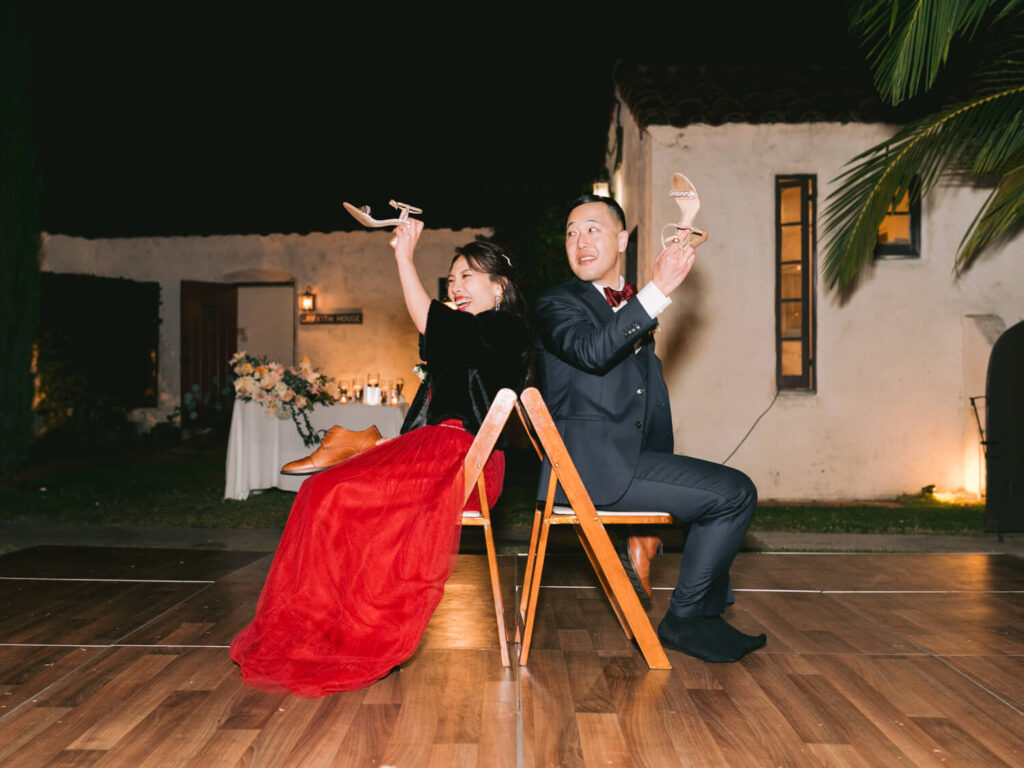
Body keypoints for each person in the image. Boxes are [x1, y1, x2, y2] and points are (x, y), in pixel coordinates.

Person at [230, 219, 530, 695]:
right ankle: (320, 629)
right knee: (317, 491)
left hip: (465, 460)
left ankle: (352, 634)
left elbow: (429, 321)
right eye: (451, 280)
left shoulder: (506, 329)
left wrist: (403, 257)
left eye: (467, 276)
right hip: (436, 448)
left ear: (500, 286)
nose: (456, 287)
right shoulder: (466, 332)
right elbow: (432, 374)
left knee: (333, 495)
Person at [533, 194, 765, 663]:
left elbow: (647, 397)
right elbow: (594, 352)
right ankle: (685, 620)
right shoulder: (556, 303)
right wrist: (656, 292)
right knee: (734, 493)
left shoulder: (628, 306)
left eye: (592, 230)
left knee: (719, 491)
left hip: (625, 462)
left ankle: (705, 617)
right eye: (571, 232)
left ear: (622, 240)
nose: (579, 241)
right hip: (586, 471)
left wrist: (664, 473)